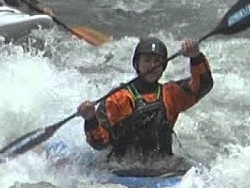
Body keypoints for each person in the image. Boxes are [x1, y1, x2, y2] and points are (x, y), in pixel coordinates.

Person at [76, 36, 211, 170]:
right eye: (147, 60)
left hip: (162, 168)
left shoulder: (171, 94)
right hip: (123, 170)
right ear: (137, 64)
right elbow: (100, 143)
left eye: (157, 61)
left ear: (163, 66)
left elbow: (203, 85)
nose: (152, 66)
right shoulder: (117, 98)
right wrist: (90, 119)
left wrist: (196, 57)